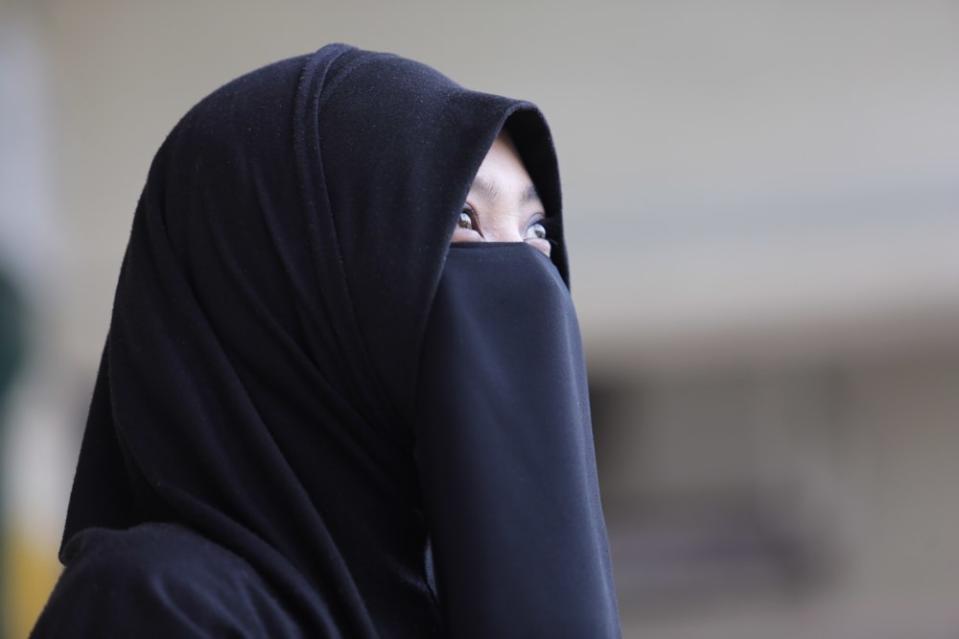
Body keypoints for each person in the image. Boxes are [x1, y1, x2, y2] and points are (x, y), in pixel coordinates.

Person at [31, 42, 622, 638]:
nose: (524, 276)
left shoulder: (437, 600)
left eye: (536, 230)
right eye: (462, 221)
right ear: (279, 287)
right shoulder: (156, 608)